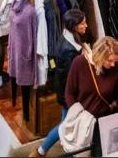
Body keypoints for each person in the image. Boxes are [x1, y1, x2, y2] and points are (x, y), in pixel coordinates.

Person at [32, 9, 88, 158]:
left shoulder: (68, 39)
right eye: (82, 23)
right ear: (74, 26)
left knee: (66, 125)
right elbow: (73, 78)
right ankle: (41, 151)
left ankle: (40, 151)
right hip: (69, 95)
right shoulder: (69, 50)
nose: (86, 26)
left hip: (65, 93)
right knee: (65, 127)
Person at [64, 36, 118, 156]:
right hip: (85, 123)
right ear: (99, 56)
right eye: (109, 61)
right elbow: (69, 93)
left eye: (115, 60)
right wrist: (77, 115)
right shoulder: (79, 63)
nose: (113, 64)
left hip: (106, 122)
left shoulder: (117, 68)